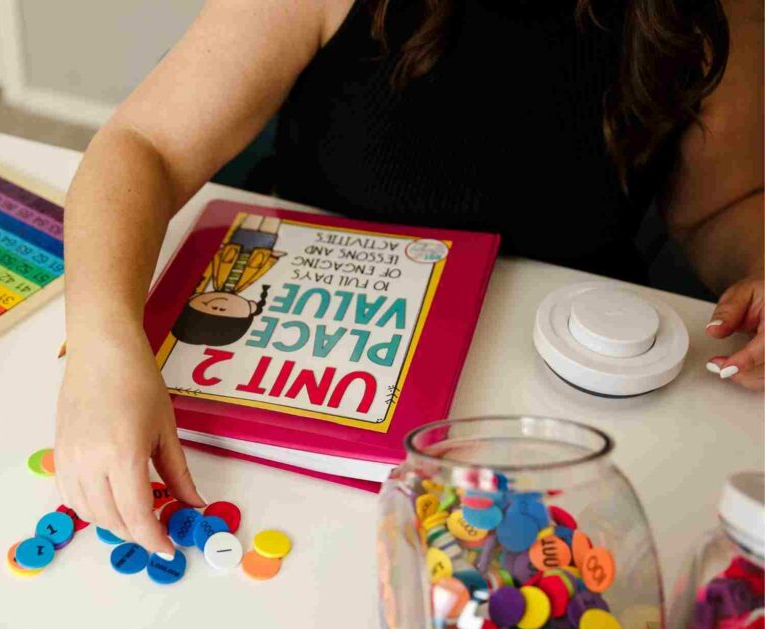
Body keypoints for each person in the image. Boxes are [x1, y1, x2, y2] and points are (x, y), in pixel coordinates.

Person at [55, 0, 763, 554]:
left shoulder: (702, 12)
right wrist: (101, 341)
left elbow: (726, 207)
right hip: (307, 388)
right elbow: (140, 147)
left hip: (564, 419)